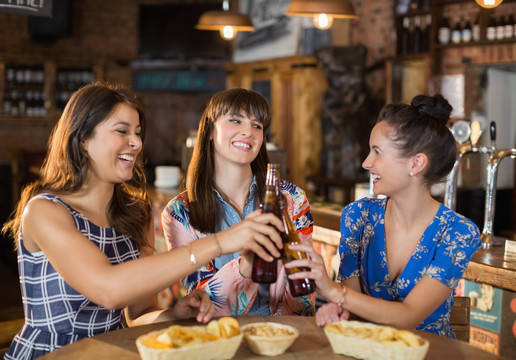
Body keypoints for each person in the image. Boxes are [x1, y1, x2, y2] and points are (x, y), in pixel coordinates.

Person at [2, 82, 285, 359]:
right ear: (83, 139)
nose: (136, 143)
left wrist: (174, 313)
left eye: (137, 132)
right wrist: (221, 242)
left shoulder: (135, 213)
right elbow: (109, 290)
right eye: (122, 131)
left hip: (111, 352)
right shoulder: (44, 211)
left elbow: (136, 315)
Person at [285, 94, 481, 338]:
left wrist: (333, 292)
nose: (367, 163)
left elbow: (409, 315)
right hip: (367, 349)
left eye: (377, 152)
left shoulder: (459, 233)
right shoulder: (357, 216)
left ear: (416, 163)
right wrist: (339, 310)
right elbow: (353, 305)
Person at [161, 88, 315, 317]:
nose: (248, 132)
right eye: (235, 120)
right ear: (210, 131)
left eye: (257, 125)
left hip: (283, 335)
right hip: (220, 336)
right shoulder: (179, 213)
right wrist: (245, 267)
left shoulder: (292, 200)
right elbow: (202, 306)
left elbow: (303, 295)